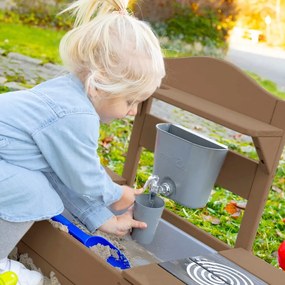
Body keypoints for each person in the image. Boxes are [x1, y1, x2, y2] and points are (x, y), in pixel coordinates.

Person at [0, 0, 165, 284]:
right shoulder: (76, 115)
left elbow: (61, 176)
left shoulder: (65, 93)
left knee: (40, 183)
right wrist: (115, 194)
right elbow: (84, 179)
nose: (133, 111)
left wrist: (105, 220)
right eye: (130, 100)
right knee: (34, 191)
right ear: (99, 84)